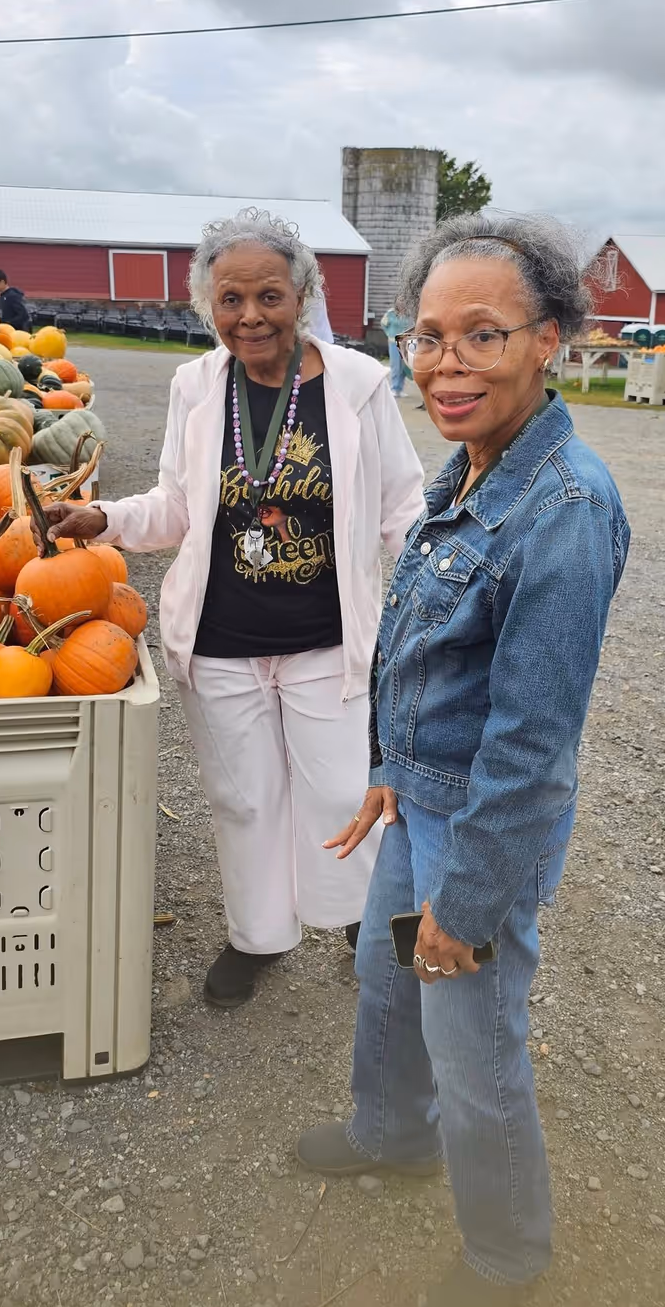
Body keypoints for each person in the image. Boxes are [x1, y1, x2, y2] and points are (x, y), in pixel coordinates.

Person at [296, 213, 630, 1307]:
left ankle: (507, 1249)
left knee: (473, 1040)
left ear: (551, 340)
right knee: (387, 987)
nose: (444, 364)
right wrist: (392, 766)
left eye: (482, 336)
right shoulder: (472, 462)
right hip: (424, 795)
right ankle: (391, 1132)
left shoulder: (566, 512)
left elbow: (533, 747)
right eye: (426, 335)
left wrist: (471, 903)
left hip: (484, 822)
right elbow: (418, 640)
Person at [43, 208, 425, 1007]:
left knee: (337, 789)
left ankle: (355, 921)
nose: (250, 315)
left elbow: (401, 507)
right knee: (244, 796)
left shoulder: (356, 386)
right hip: (222, 640)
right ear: (207, 305)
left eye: (269, 296)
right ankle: (258, 936)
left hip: (328, 638)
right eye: (230, 299)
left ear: (303, 295)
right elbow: (177, 505)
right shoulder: (196, 384)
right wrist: (106, 518)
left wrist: (441, 585)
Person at [382, 302, 411, 396]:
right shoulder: (390, 313)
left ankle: (400, 388)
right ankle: (394, 388)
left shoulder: (409, 314)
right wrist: (388, 333)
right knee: (396, 365)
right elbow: (383, 324)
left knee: (404, 366)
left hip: (406, 342)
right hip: (393, 342)